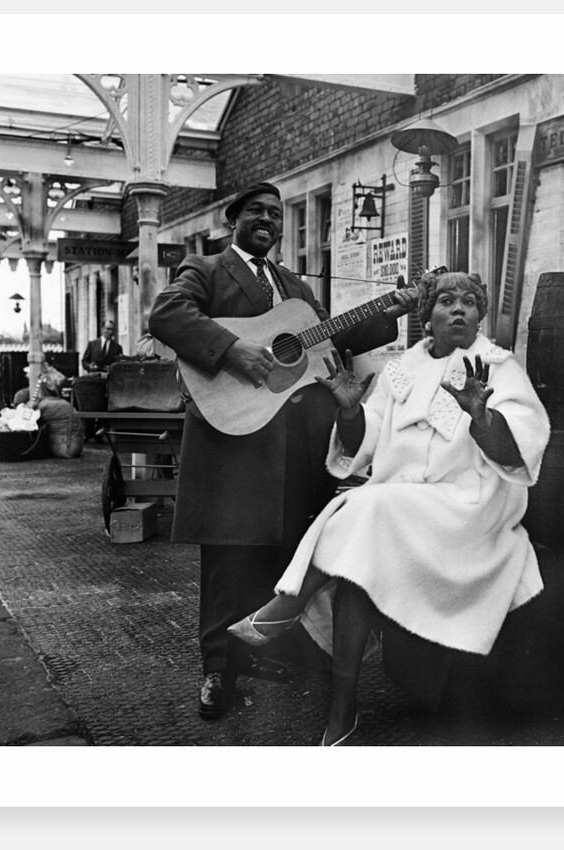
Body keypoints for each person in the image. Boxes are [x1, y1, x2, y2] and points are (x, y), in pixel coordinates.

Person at [227, 269, 551, 745]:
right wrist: (351, 411)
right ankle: (343, 710)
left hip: (467, 507)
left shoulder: (499, 367)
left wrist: (483, 418)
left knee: (368, 506)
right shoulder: (400, 371)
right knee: (359, 568)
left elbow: (522, 449)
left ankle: (287, 605)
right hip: (400, 505)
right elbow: (364, 443)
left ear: (481, 316)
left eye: (469, 302)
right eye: (446, 301)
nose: (458, 308)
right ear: (428, 318)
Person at [148, 181, 416, 719]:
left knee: (279, 552)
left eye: (276, 212)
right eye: (257, 211)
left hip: (292, 442)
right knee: (226, 558)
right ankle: (216, 670)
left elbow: (328, 341)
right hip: (232, 439)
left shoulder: (293, 286)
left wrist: (394, 309)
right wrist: (232, 349)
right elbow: (167, 315)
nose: (268, 219)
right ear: (234, 219)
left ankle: (257, 652)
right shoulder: (205, 270)